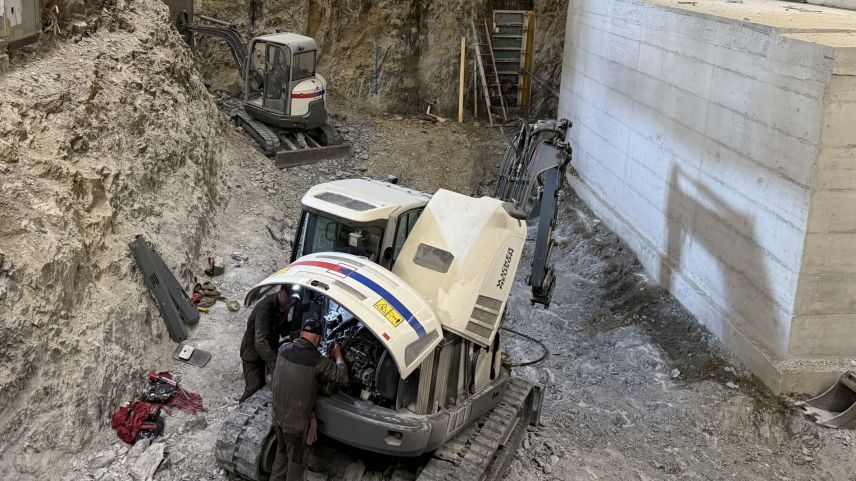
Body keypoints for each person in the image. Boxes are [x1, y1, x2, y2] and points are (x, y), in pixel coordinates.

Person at [270, 320, 348, 481]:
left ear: (301, 333)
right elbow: (342, 377)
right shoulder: (316, 360)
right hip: (295, 426)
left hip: (277, 417)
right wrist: (338, 355)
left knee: (282, 452)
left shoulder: (283, 349)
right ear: (318, 339)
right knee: (296, 464)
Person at [239, 286, 298, 402]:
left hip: (267, 350)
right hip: (253, 354)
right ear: (280, 292)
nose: (290, 301)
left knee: (264, 384)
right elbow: (260, 342)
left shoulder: (284, 305)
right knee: (253, 388)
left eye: (293, 298)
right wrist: (274, 362)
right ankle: (240, 411)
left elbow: (282, 330)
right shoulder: (266, 308)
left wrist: (296, 330)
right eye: (288, 296)